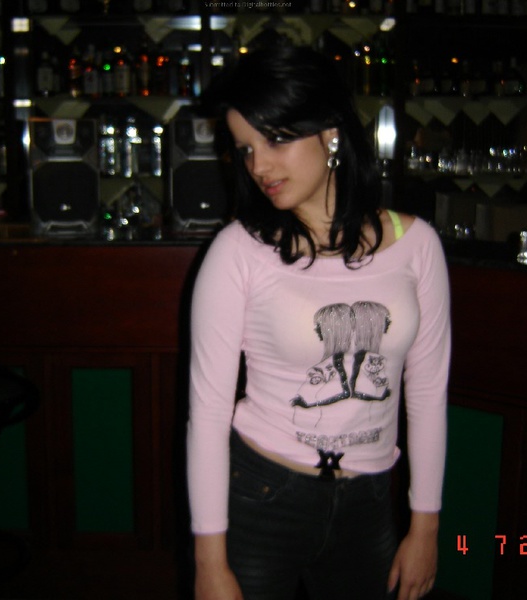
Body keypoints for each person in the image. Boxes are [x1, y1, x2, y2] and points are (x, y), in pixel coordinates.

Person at [186, 44, 451, 600]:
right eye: (245, 149)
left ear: (330, 132)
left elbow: (427, 392)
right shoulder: (237, 252)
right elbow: (207, 412)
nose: (258, 166)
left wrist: (425, 526)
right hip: (262, 497)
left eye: (275, 140)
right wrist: (209, 563)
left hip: (370, 503)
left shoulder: (418, 245)